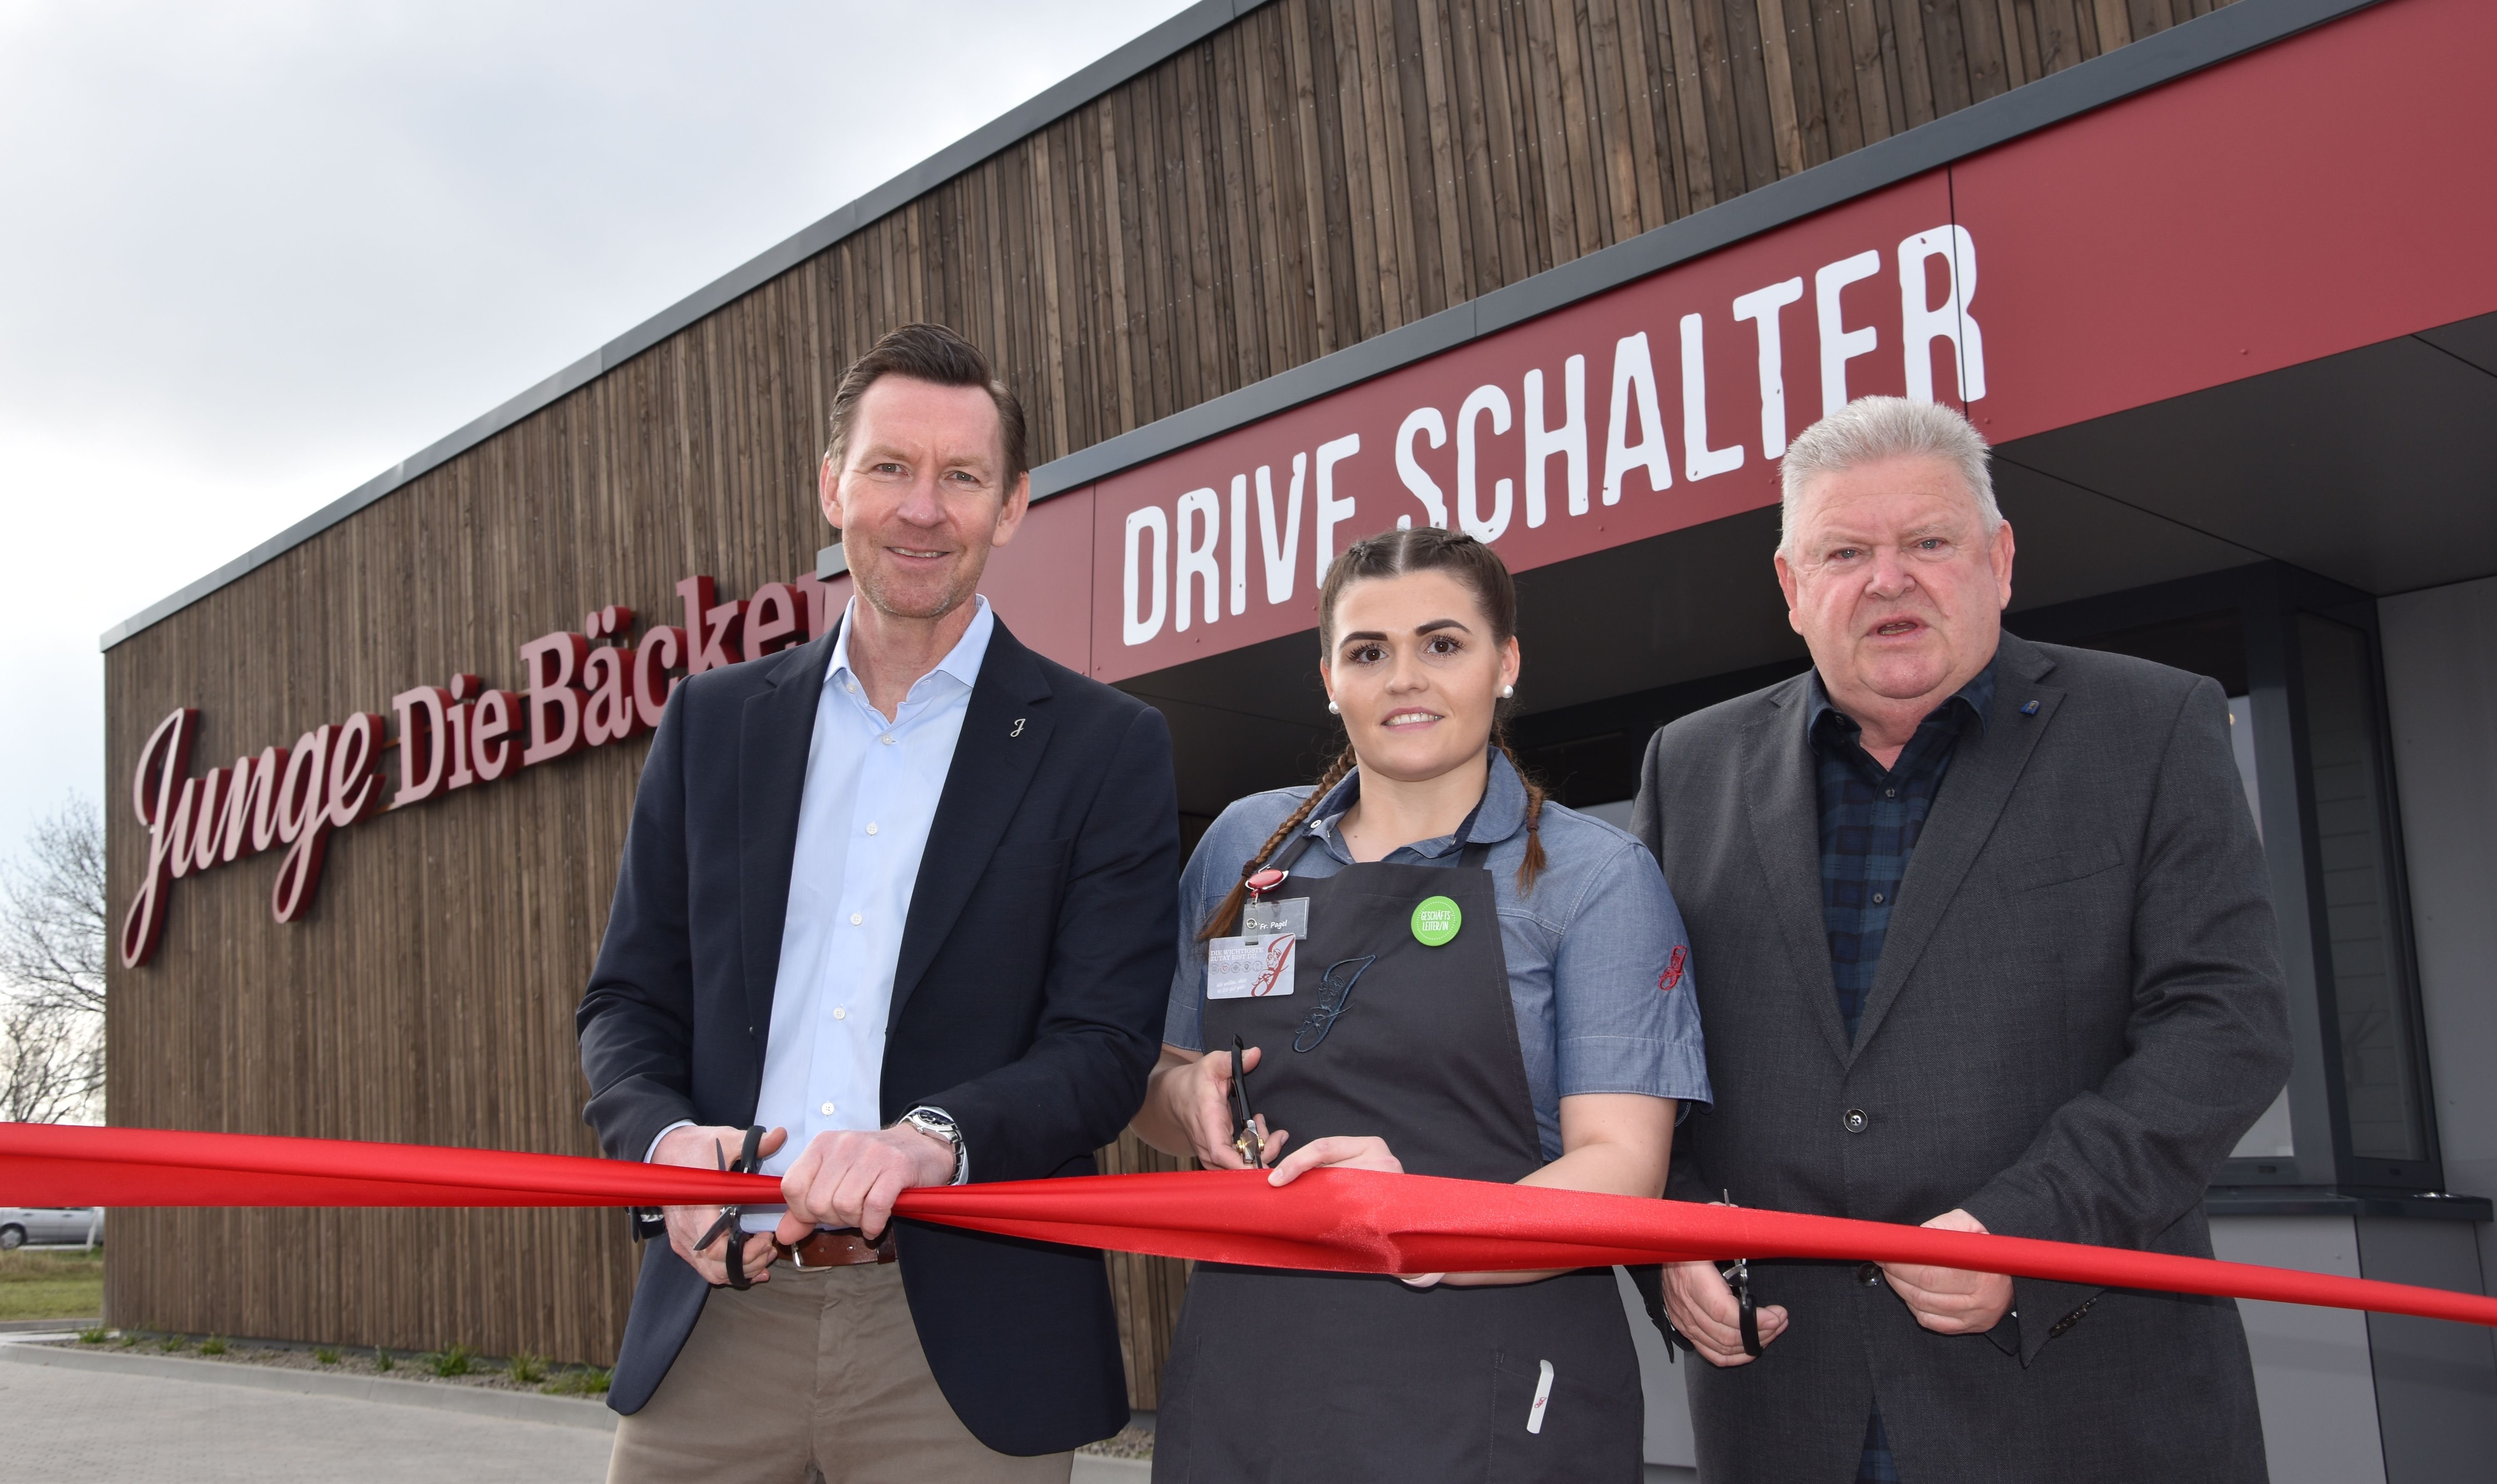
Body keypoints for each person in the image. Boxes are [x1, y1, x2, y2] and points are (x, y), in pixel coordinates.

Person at [1632, 396, 2292, 1483]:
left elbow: (2225, 1029)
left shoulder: (2153, 725)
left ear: (2001, 560)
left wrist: (2027, 1227)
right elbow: (1642, 1052)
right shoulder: (1689, 766)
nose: (1888, 580)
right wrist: (1676, 1227)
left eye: (1928, 542)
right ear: (1793, 587)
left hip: (2080, 1405)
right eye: (1846, 552)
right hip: (1788, 1407)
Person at [577, 323, 1181, 1483]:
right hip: (716, 1319)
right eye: (891, 467)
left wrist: (928, 1142)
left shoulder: (1107, 747)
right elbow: (627, 1003)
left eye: (963, 476)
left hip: (963, 1349)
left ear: (1012, 505)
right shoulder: (712, 724)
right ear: (832, 487)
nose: (923, 509)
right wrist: (665, 1148)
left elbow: (1104, 1047)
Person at [1132, 527, 1710, 1484]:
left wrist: (1412, 1218)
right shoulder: (1244, 847)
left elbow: (1623, 1170)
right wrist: (1180, 1093)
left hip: (1492, 1395)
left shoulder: (1595, 878)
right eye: (1369, 651)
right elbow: (1155, 1081)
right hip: (1249, 1382)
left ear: (1505, 662)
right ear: (1330, 678)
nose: (1405, 677)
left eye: (1442, 643)